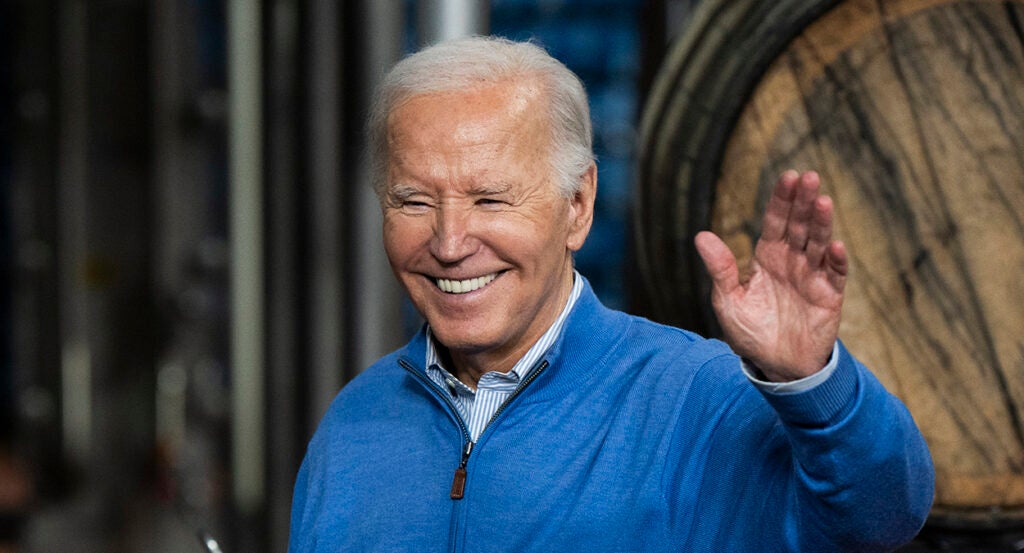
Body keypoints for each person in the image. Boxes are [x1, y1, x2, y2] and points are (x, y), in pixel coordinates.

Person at [288, 36, 934, 552]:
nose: (451, 241)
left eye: (491, 198)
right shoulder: (355, 423)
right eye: (414, 200)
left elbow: (883, 515)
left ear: (578, 204)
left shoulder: (696, 399)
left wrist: (814, 383)